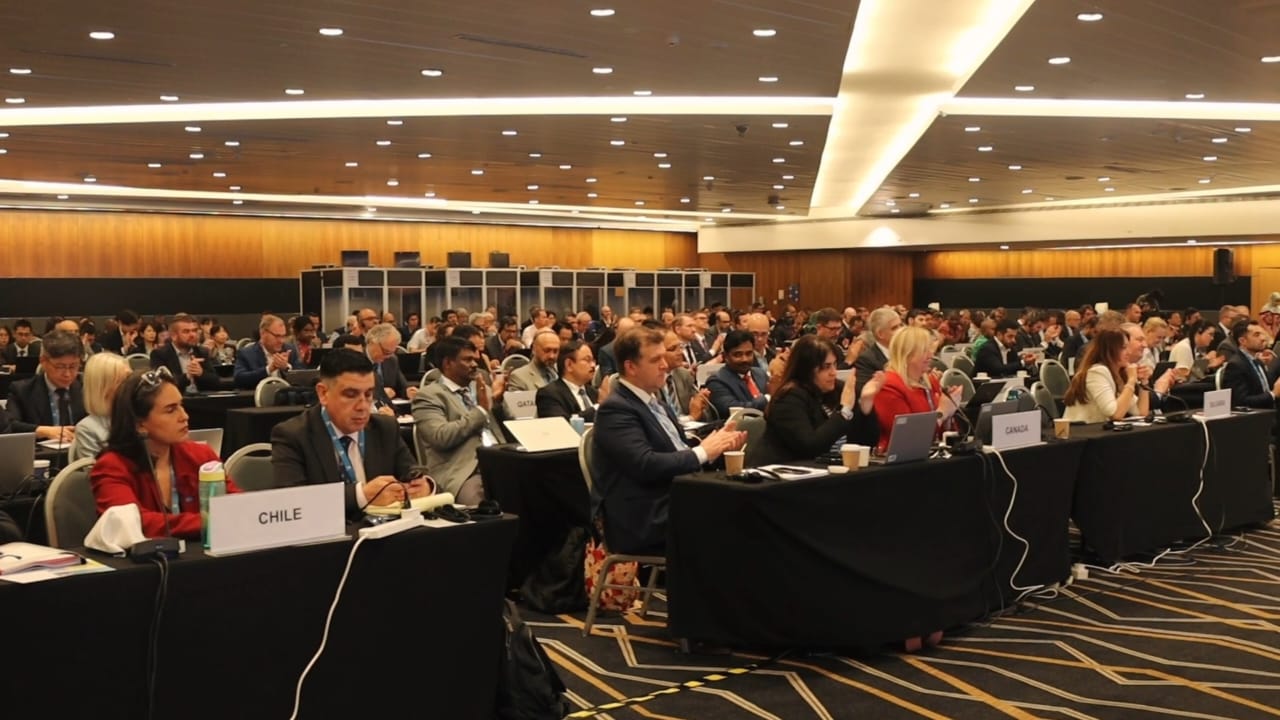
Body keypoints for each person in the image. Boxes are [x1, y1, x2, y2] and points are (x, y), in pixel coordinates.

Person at [592, 327, 746, 555]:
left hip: (677, 497)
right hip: (644, 517)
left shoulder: (657, 404)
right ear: (631, 367)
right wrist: (702, 452)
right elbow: (644, 464)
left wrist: (718, 447)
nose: (665, 365)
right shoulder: (616, 409)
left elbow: (678, 451)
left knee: (749, 503)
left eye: (664, 357)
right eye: (656, 360)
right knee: (739, 518)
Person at [271, 350, 430, 515]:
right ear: (323, 393)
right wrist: (361, 496)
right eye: (350, 395)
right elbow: (292, 503)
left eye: (368, 394)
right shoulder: (293, 435)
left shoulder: (385, 427)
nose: (363, 406)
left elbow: (413, 473)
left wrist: (423, 486)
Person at [90, 367, 241, 539]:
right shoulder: (111, 467)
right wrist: (210, 522)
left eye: (181, 406)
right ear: (140, 424)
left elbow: (237, 505)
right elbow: (133, 523)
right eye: (170, 410)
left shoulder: (201, 455)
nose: (184, 416)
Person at [751, 335, 881, 466]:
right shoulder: (789, 398)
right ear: (806, 369)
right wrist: (844, 412)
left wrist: (865, 404)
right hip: (786, 471)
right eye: (826, 366)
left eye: (834, 364)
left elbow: (866, 443)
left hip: (831, 470)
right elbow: (810, 447)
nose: (833, 372)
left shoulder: (838, 389)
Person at [412, 336, 507, 504]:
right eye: (468, 360)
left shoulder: (482, 389)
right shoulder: (429, 396)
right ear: (448, 363)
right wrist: (480, 410)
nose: (475, 364)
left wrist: (498, 402)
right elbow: (441, 437)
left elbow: (507, 427)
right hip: (462, 471)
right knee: (481, 506)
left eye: (475, 359)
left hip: (501, 461)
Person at [872, 326, 962, 450]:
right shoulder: (888, 385)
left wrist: (950, 411)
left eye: (930, 350)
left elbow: (946, 434)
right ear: (907, 354)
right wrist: (942, 412)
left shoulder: (931, 382)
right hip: (903, 457)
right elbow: (906, 436)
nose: (931, 355)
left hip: (934, 453)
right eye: (924, 351)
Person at [6, 330, 85, 441]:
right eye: (60, 367)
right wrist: (42, 431)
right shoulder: (22, 390)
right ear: (43, 361)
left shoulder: (85, 388)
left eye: (73, 366)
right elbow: (10, 425)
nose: (67, 374)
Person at [1063, 329, 1151, 423]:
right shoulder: (1097, 372)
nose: (1129, 352)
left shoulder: (1118, 374)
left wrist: (1144, 382)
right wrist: (1131, 381)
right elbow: (1115, 414)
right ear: (1109, 351)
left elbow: (1141, 412)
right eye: (1123, 348)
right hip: (1080, 429)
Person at [69, 352, 131, 463]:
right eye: (124, 381)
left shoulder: (142, 417)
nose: (131, 386)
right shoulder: (87, 429)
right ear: (104, 388)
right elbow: (96, 472)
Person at [705, 329, 771, 418]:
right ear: (726, 356)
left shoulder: (760, 374)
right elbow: (734, 411)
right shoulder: (716, 382)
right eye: (738, 355)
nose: (745, 359)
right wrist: (768, 398)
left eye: (749, 353)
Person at [149, 313, 220, 393]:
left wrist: (201, 373)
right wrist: (187, 376)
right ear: (173, 336)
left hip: (201, 397)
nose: (192, 335)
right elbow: (161, 384)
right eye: (186, 331)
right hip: (176, 398)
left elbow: (216, 382)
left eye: (194, 330)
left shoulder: (202, 352)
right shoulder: (159, 354)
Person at [535, 339, 600, 421]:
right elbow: (562, 424)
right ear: (569, 365)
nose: (593, 365)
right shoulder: (549, 395)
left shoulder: (594, 393)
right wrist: (597, 408)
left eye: (593, 360)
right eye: (587, 360)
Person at [1221, 320, 1280, 409]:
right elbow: (1241, 402)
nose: (1263, 338)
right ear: (1242, 341)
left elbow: (1265, 388)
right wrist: (1273, 394)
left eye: (1262, 333)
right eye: (1257, 335)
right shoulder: (1235, 365)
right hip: (1256, 415)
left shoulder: (1257, 361)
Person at [233, 314, 302, 389]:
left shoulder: (290, 350)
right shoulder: (246, 354)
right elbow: (239, 379)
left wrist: (287, 368)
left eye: (283, 336)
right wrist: (269, 369)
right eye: (277, 336)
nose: (281, 341)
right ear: (263, 333)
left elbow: (303, 376)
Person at [365, 323, 414, 414]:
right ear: (372, 342)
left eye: (392, 352)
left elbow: (401, 385)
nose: (388, 356)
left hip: (390, 409)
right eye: (386, 352)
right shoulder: (356, 361)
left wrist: (408, 391)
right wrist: (380, 394)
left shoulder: (392, 360)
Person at [854, 307, 901, 393]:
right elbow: (865, 393)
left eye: (900, 325)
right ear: (880, 334)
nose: (900, 331)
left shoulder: (907, 352)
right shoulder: (866, 360)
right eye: (894, 328)